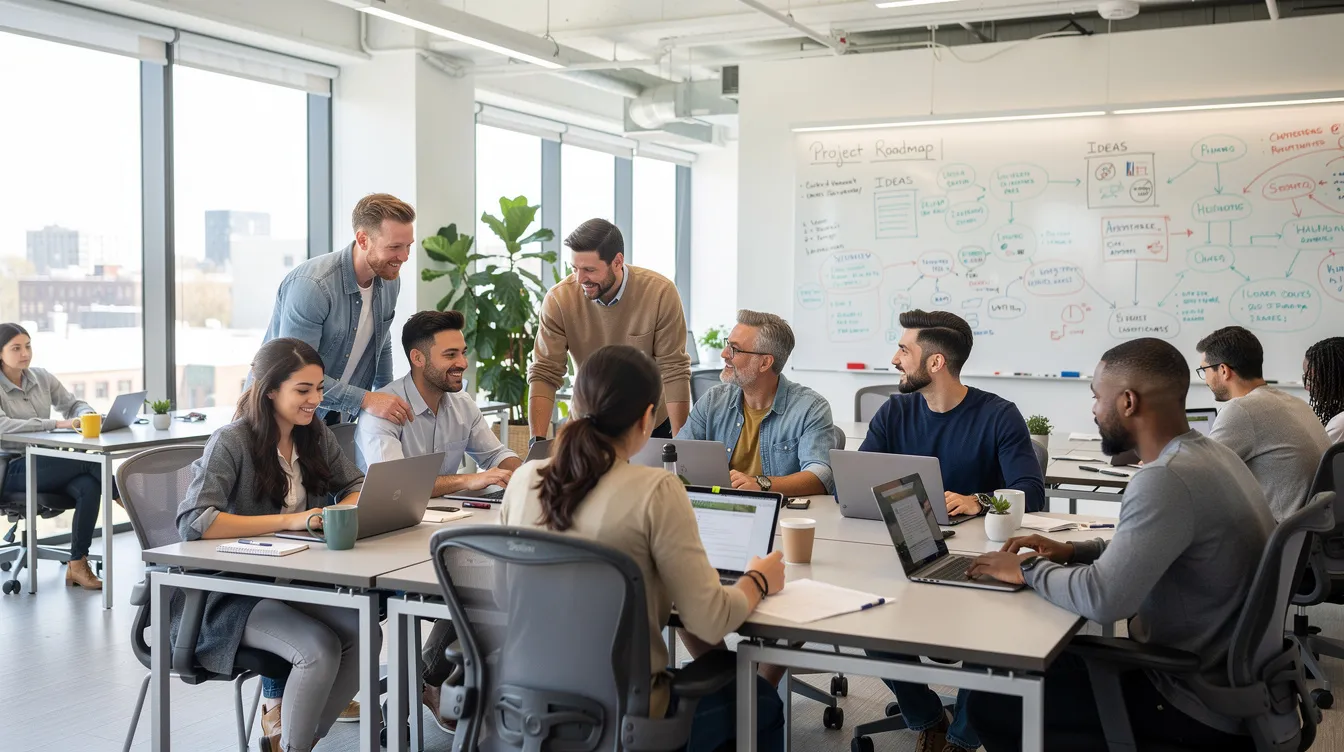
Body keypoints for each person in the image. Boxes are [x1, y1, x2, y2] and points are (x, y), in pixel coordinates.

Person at [964, 337, 1269, 751]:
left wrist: (1027, 568)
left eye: (1096, 397)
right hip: (1226, 682)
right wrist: (1076, 551)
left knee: (991, 699)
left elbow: (1104, 599)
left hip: (1186, 699)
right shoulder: (1213, 456)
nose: (1093, 409)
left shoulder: (1166, 478)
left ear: (1127, 401)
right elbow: (1166, 546)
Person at [501, 345, 786, 751]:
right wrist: (758, 579)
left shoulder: (524, 478)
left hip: (524, 705)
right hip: (625, 717)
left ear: (575, 405)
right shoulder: (657, 489)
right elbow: (710, 621)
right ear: (648, 417)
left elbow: (505, 595)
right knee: (761, 701)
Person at [857, 309, 1044, 752]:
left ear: (936, 362)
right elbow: (859, 477)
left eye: (904, 350)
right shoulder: (894, 411)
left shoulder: (998, 415)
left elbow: (1031, 492)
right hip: (906, 552)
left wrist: (979, 500)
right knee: (863, 616)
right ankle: (927, 718)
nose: (894, 359)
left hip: (977, 561)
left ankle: (960, 738)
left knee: (994, 636)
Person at [175, 338, 372, 752]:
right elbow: (195, 521)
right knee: (318, 649)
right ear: (270, 390)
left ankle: (295, 743)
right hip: (232, 591)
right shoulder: (232, 441)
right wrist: (291, 521)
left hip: (295, 581)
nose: (315, 399)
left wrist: (337, 513)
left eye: (319, 388)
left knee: (364, 632)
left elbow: (355, 484)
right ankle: (290, 742)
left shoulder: (313, 434)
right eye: (303, 390)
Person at [353, 310, 522, 729]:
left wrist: (526, 474)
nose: (462, 362)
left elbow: (496, 454)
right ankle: (425, 684)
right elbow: (396, 485)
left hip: (439, 534)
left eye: (462, 352)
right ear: (418, 358)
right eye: (451, 355)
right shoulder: (384, 411)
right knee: (477, 584)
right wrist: (470, 479)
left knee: (496, 580)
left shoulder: (461, 404)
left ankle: (427, 678)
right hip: (383, 544)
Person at [527, 218, 692, 445]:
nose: (580, 279)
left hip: (649, 426)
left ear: (617, 262)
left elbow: (674, 370)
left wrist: (681, 443)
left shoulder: (660, 293)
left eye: (589, 270)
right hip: (588, 423)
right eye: (575, 269)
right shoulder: (559, 299)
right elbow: (545, 372)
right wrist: (536, 443)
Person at [260, 193, 416, 426]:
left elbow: (381, 343)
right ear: (363, 240)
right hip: (277, 420)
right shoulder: (313, 286)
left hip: (333, 418)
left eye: (408, 246)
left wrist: (386, 396)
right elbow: (296, 372)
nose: (404, 257)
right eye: (394, 247)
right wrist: (367, 400)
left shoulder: (390, 280)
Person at [677, 309, 835, 496]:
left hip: (779, 511)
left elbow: (820, 475)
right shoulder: (713, 400)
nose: (724, 354)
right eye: (727, 344)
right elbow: (677, 455)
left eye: (735, 349)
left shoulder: (811, 408)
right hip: (719, 506)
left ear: (765, 363)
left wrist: (762, 484)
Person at [0, 322, 105, 589]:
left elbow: (73, 404)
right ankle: (126, 498)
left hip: (46, 463)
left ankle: (77, 564)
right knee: (90, 463)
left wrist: (85, 415)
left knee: (89, 484)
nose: (25, 353)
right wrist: (55, 424)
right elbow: (3, 426)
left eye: (28, 346)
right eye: (16, 348)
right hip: (12, 468)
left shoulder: (41, 378)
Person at [1196, 326, 1331, 520]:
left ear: (1224, 370)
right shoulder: (1295, 402)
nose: (1206, 379)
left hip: (1284, 532)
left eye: (1204, 370)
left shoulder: (1242, 409)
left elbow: (1199, 475)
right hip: (1316, 527)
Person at [1304, 336, 1344, 443]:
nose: (1306, 387)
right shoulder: (1336, 410)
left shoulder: (1340, 424)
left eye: (1311, 380)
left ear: (1335, 379)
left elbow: (1317, 454)